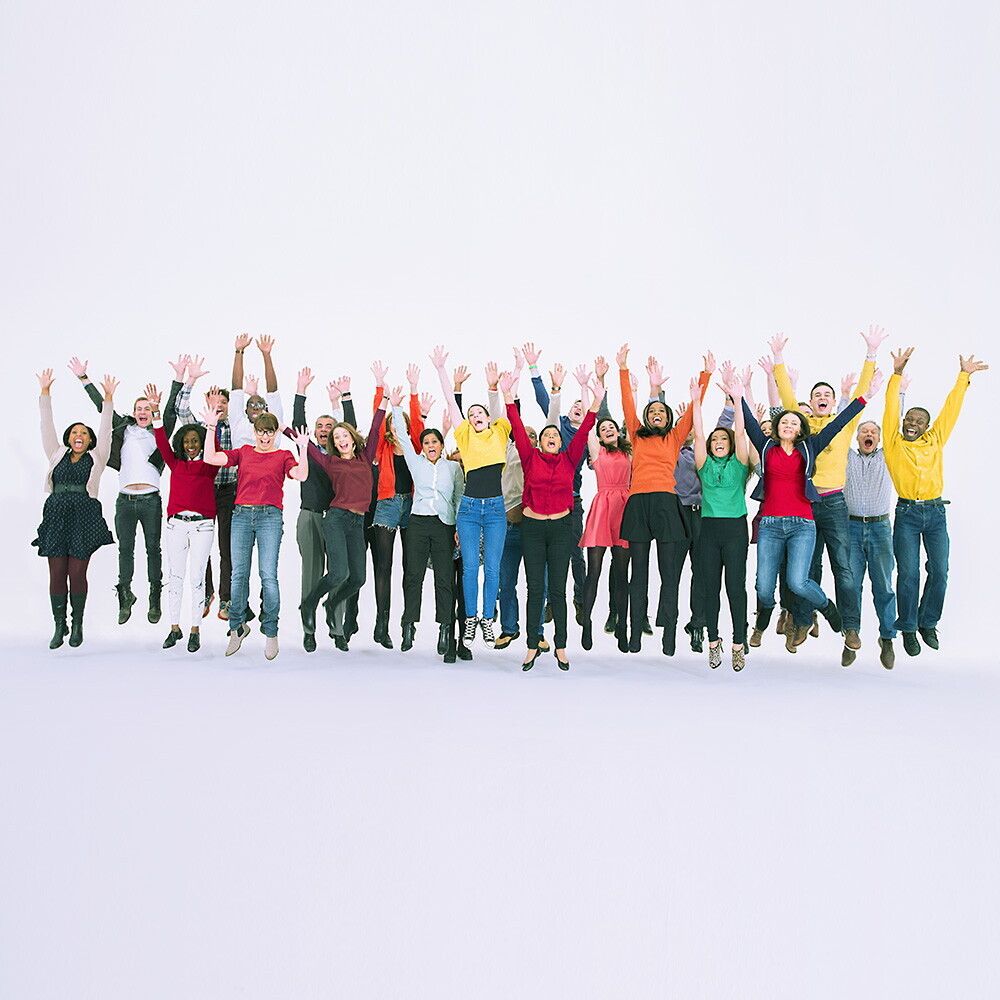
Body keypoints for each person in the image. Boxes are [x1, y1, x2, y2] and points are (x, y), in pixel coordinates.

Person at [742, 370, 885, 652]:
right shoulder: (767, 447)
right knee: (765, 586)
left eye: (794, 422)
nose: (788, 425)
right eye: (784, 421)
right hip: (771, 524)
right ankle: (782, 618)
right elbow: (750, 423)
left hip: (806, 518)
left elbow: (840, 422)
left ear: (800, 429)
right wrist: (739, 395)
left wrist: (865, 396)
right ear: (778, 426)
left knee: (809, 577)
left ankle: (832, 613)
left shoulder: (809, 446)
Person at [770, 326, 887, 659]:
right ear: (811, 402)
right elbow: (787, 398)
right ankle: (802, 620)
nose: (822, 397)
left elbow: (861, 393)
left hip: (834, 503)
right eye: (817, 394)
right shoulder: (803, 426)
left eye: (827, 395)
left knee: (844, 568)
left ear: (834, 402)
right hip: (805, 504)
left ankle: (850, 627)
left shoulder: (844, 423)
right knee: (806, 568)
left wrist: (871, 353)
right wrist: (778, 358)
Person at [883, 348, 988, 655]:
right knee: (909, 574)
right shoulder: (893, 442)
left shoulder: (936, 439)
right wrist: (897, 374)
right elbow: (890, 407)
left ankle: (928, 622)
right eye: (909, 419)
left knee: (940, 571)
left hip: (936, 513)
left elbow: (951, 409)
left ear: (926, 427)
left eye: (919, 421)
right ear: (903, 421)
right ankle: (908, 627)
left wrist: (964, 376)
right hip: (907, 514)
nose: (913, 423)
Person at [68, 355, 183, 626]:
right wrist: (84, 378)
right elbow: (102, 407)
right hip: (125, 501)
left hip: (150, 501)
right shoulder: (125, 428)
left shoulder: (158, 431)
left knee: (153, 549)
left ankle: (154, 596)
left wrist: (178, 379)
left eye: (147, 408)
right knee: (125, 549)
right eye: (139, 408)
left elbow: (170, 411)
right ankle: (125, 594)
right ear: (133, 412)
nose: (143, 412)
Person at [500, 370, 601, 670]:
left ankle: (561, 646)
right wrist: (508, 397)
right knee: (535, 589)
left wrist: (596, 402)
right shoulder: (529, 457)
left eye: (555, 435)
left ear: (560, 441)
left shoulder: (570, 459)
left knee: (557, 590)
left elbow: (585, 429)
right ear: (541, 443)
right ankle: (532, 645)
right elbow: (517, 427)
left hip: (560, 529)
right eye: (547, 436)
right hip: (532, 528)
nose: (552, 437)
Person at [617, 344, 712, 655]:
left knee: (669, 574)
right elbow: (627, 403)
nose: (656, 414)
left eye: (661, 412)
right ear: (646, 419)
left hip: (667, 505)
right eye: (652, 412)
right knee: (639, 573)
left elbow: (692, 413)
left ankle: (669, 635)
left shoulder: (674, 438)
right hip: (638, 504)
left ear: (669, 419)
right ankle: (635, 633)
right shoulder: (636, 435)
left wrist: (705, 376)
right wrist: (623, 369)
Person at [202, 407, 309, 660]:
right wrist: (210, 427)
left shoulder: (283, 455)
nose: (265, 437)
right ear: (254, 432)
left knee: (268, 576)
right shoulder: (244, 452)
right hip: (241, 515)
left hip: (269, 517)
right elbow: (210, 458)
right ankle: (237, 628)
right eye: (261, 432)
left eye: (269, 432)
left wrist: (303, 448)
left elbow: (301, 475)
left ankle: (271, 631)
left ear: (275, 434)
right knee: (238, 575)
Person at [432, 347, 510, 649]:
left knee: (491, 568)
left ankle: (487, 620)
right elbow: (451, 403)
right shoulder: (464, 435)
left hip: (495, 509)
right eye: (471, 414)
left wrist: (506, 381)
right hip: (468, 509)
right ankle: (469, 620)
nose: (475, 416)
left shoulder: (500, 432)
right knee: (468, 568)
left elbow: (505, 404)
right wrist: (442, 370)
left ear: (489, 418)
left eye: (480, 414)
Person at [34, 368, 117, 648]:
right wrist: (45, 392)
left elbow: (106, 431)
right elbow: (46, 425)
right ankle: (60, 625)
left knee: (77, 573)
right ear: (68, 438)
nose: (78, 435)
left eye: (83, 433)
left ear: (89, 440)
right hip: (56, 516)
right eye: (74, 432)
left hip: (84, 517)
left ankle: (78, 623)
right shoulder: (56, 453)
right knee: (57, 573)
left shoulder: (97, 456)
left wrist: (108, 399)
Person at [298, 392, 388, 651]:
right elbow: (302, 439)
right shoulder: (330, 462)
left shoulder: (365, 456)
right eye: (336, 438)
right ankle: (309, 603)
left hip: (357, 523)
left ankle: (330, 603)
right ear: (334, 444)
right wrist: (289, 432)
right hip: (336, 519)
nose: (340, 440)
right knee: (338, 573)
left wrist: (384, 400)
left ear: (351, 437)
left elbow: (375, 428)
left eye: (343, 435)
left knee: (357, 578)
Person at [391, 388, 465, 660]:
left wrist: (457, 527)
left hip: (444, 525)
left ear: (442, 445)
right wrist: (396, 407)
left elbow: (458, 498)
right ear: (422, 447)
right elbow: (402, 436)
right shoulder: (416, 463)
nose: (431, 445)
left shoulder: (453, 468)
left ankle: (445, 628)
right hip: (419, 524)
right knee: (413, 575)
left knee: (444, 579)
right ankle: (408, 624)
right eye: (426, 442)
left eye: (435, 441)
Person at [523, 342, 590, 621]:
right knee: (550, 554)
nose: (577, 408)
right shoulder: (557, 427)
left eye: (582, 406)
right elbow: (544, 401)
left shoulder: (588, 437)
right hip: (544, 503)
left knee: (576, 553)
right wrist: (535, 370)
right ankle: (551, 599)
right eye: (575, 405)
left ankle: (580, 599)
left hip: (572, 500)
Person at [690, 372, 751, 671]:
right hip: (709, 530)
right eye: (715, 439)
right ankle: (714, 641)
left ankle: (739, 643)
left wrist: (737, 400)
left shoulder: (740, 464)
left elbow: (740, 433)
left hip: (735, 530)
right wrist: (695, 402)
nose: (717, 441)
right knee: (710, 588)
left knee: (735, 588)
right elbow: (698, 435)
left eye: (722, 438)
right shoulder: (703, 465)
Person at [151, 384, 219, 653]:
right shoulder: (176, 464)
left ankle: (195, 630)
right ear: (181, 444)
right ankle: (174, 627)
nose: (191, 445)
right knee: (175, 576)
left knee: (197, 578)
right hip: (176, 525)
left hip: (202, 526)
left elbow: (214, 448)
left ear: (201, 443)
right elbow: (161, 442)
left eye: (195, 441)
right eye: (187, 442)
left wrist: (211, 425)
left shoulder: (209, 465)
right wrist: (156, 414)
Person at [292, 370, 356, 651]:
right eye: (319, 426)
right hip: (311, 516)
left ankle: (337, 629)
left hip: (339, 519)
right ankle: (309, 630)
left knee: (339, 574)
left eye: (329, 426)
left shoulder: (343, 454)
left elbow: (351, 428)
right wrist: (300, 390)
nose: (324, 429)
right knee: (311, 572)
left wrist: (343, 399)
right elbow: (297, 424)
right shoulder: (307, 449)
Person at [369, 362, 426, 649]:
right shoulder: (383, 447)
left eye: (400, 421)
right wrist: (381, 390)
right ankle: (382, 623)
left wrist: (414, 390)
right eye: (393, 422)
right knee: (384, 566)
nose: (396, 426)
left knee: (410, 568)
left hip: (412, 507)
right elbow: (377, 423)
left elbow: (417, 425)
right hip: (387, 506)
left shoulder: (416, 447)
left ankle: (408, 625)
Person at [844, 420, 897, 669]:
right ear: (857, 437)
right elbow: (843, 425)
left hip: (880, 528)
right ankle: (850, 636)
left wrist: (897, 397)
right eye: (864, 431)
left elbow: (894, 420)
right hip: (851, 527)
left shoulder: (887, 457)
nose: (869, 434)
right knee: (851, 585)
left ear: (879, 438)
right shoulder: (847, 457)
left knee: (884, 585)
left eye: (873, 432)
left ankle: (887, 638)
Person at [578, 411, 632, 654]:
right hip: (602, 509)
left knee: (621, 574)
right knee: (594, 571)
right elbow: (588, 425)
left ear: (618, 432)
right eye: (603, 429)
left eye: (611, 427)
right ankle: (587, 623)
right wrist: (591, 395)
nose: (608, 429)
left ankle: (622, 626)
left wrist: (632, 392)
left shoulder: (629, 451)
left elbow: (631, 417)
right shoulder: (597, 452)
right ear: (599, 437)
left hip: (624, 508)